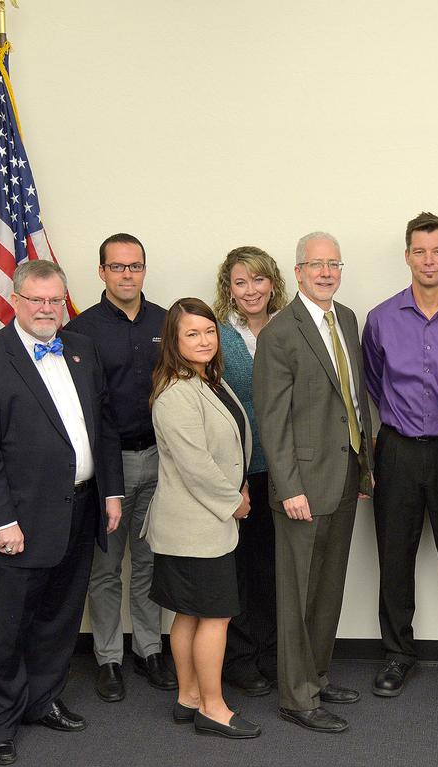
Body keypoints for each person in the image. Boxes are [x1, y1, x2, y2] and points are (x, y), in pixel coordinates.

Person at [0, 259, 123, 766]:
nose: (47, 309)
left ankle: (41, 700)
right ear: (16, 301)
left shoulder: (81, 350)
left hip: (82, 506)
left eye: (55, 300)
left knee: (60, 616)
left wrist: (111, 492)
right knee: (6, 624)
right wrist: (2, 522)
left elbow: (104, 428)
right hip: (18, 519)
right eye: (36, 300)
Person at [253, 232, 375, 734]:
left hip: (345, 473)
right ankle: (296, 696)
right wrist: (288, 487)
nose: (326, 272)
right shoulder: (280, 332)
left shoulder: (345, 318)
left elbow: (353, 400)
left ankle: (317, 678)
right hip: (302, 483)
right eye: (315, 264)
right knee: (298, 593)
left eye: (334, 264)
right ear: (298, 271)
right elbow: (272, 419)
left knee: (328, 587)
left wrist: (364, 466)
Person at [362, 212, 438, 701]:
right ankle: (397, 653)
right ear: (407, 255)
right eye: (419, 251)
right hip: (397, 450)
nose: (429, 260)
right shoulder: (381, 318)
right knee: (394, 556)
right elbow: (374, 381)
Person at [143, 298, 261, 739]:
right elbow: (195, 464)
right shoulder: (176, 393)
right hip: (194, 526)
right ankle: (213, 707)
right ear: (174, 341)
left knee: (189, 615)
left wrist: (241, 484)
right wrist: (234, 501)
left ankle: (188, 696)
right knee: (213, 616)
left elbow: (227, 450)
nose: (204, 340)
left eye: (208, 331)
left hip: (201, 521)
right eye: (191, 334)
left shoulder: (208, 381)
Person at [64, 233, 174, 702]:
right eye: (117, 267)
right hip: (109, 465)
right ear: (102, 272)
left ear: (144, 270)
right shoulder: (81, 329)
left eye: (135, 266)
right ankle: (109, 657)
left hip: (161, 459)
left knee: (149, 562)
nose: (127, 274)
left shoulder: (167, 322)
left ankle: (149, 649)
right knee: (106, 568)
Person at [213, 246, 288, 696]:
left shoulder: (292, 330)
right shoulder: (217, 335)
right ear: (229, 289)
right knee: (240, 569)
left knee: (279, 569)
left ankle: (276, 654)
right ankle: (240, 659)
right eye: (240, 282)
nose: (250, 290)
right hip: (237, 474)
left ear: (273, 283)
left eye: (258, 280)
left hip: (284, 472)